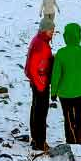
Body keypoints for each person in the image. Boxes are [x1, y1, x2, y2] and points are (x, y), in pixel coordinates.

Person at [50, 23, 81, 145]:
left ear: (66, 36)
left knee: (68, 119)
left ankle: (71, 142)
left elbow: (56, 75)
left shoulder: (61, 53)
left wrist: (53, 92)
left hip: (64, 94)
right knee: (80, 117)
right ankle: (80, 143)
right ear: (79, 35)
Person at [24, 16, 54, 151]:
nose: (52, 32)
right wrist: (41, 83)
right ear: (44, 29)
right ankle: (40, 143)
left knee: (36, 109)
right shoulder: (40, 44)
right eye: (50, 29)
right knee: (41, 112)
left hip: (38, 81)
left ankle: (36, 139)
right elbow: (32, 67)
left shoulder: (40, 41)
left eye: (53, 29)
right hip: (40, 82)